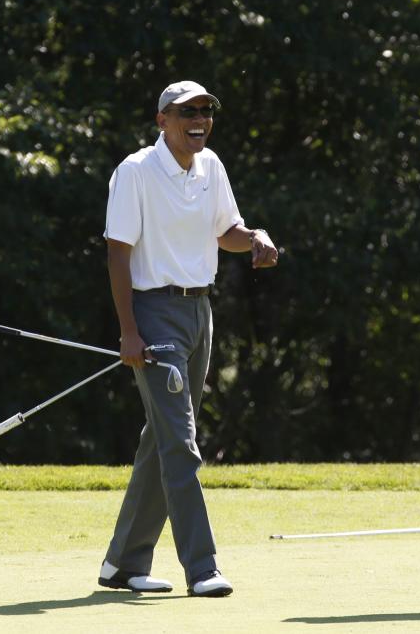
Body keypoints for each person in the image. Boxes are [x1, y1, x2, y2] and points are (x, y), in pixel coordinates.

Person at [98, 80, 278, 598]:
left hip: (200, 310)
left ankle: (122, 563)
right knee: (181, 441)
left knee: (162, 438)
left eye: (206, 111)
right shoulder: (135, 171)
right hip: (154, 313)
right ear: (162, 121)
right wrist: (129, 330)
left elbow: (227, 231)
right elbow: (117, 252)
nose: (198, 119)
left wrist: (256, 240)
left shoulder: (211, 166)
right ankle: (202, 567)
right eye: (186, 112)